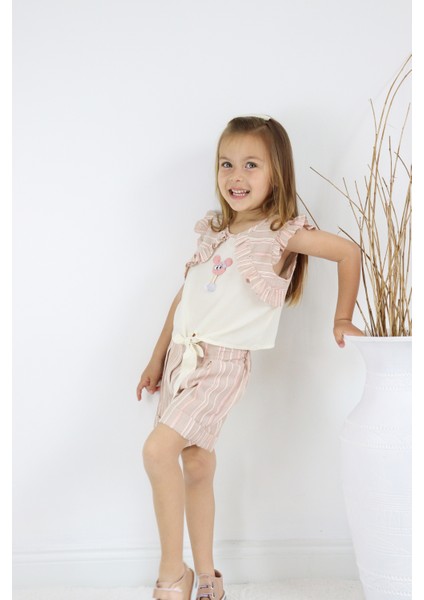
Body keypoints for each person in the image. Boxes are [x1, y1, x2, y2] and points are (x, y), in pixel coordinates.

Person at [136, 115, 363, 600]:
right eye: (227, 164)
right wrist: (157, 358)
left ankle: (171, 573)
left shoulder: (280, 233)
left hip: (222, 366)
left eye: (251, 165)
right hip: (182, 358)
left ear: (276, 173)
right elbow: (185, 298)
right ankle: (208, 579)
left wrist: (342, 318)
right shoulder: (215, 232)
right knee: (196, 464)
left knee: (157, 451)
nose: (236, 176)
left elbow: (349, 253)